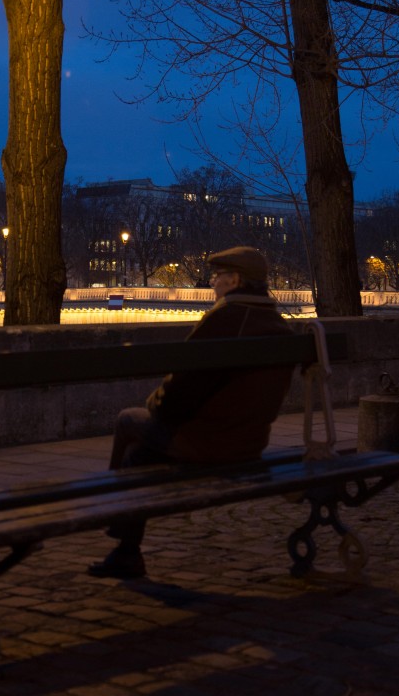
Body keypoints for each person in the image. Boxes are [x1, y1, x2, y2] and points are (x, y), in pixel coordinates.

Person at [88, 245, 296, 579]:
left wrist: (154, 404)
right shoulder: (277, 323)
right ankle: (124, 546)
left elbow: (180, 391)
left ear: (235, 280)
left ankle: (119, 530)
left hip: (213, 443)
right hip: (251, 442)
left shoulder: (226, 320)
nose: (212, 284)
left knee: (129, 421)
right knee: (139, 456)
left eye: (217, 277)